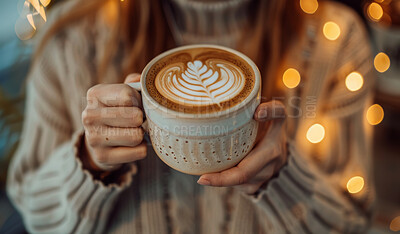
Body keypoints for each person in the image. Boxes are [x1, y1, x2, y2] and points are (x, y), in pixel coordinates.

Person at [7, 0, 375, 233]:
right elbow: (36, 216)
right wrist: (89, 162)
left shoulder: (334, 39)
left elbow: (352, 223)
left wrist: (283, 179)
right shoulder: (71, 37)